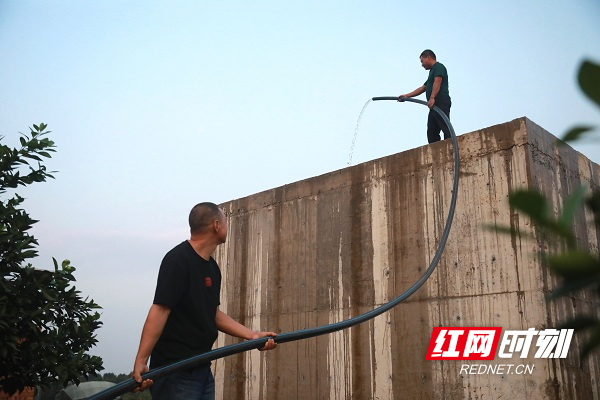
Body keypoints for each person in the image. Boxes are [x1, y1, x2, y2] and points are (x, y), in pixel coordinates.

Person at [132, 202, 277, 399]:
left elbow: (212, 313)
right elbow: (160, 309)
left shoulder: (212, 268)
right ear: (216, 225)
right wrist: (141, 360)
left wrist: (252, 336)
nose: (227, 226)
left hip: (202, 367)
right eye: (225, 221)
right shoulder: (178, 260)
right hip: (175, 372)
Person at [398, 49, 451, 144]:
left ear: (429, 57)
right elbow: (422, 88)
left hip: (440, 101)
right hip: (434, 104)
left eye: (422, 61)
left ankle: (450, 144)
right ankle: (435, 147)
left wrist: (432, 98)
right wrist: (406, 96)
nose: (422, 64)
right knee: (431, 129)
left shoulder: (439, 67)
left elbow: (437, 82)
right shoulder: (431, 72)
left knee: (444, 124)